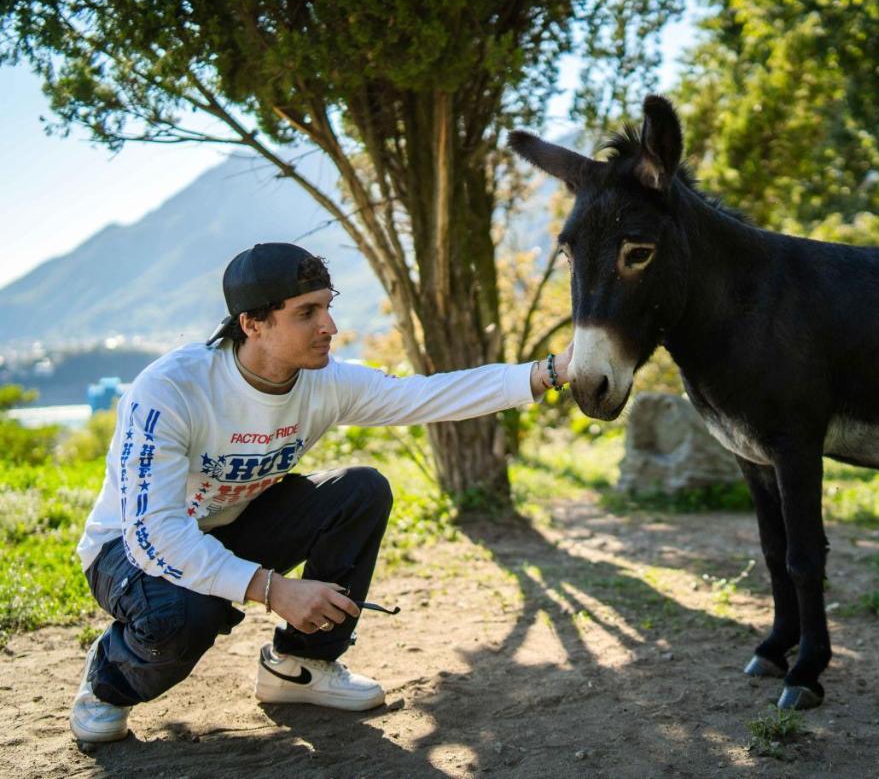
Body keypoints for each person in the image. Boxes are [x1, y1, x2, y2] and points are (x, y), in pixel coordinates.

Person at [70, 242, 572, 743]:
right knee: (182, 617)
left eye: (328, 306)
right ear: (252, 324)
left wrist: (548, 373)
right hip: (129, 552)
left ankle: (298, 667)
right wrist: (273, 589)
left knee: (360, 490)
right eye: (307, 312)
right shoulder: (172, 390)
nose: (329, 325)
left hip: (228, 529)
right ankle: (107, 682)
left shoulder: (325, 382)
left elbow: (424, 396)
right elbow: (156, 534)